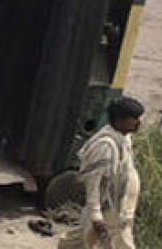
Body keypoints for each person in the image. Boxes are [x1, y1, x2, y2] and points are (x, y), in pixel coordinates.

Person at [58, 98, 144, 249]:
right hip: (108, 213)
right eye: (134, 119)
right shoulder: (105, 146)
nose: (138, 123)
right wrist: (97, 217)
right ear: (119, 120)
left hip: (119, 210)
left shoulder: (124, 139)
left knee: (81, 239)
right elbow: (93, 183)